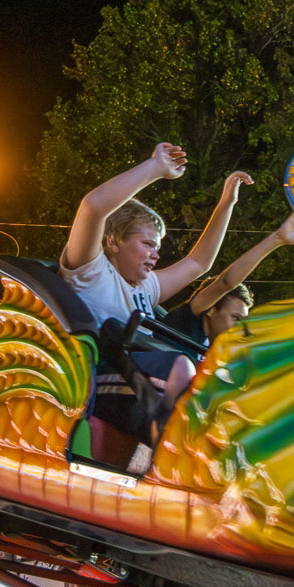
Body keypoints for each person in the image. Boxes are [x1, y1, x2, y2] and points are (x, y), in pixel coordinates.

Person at [59, 141, 251, 435]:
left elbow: (200, 263)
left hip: (142, 378)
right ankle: (169, 445)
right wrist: (155, 168)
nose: (155, 254)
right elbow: (93, 208)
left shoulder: (146, 287)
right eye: (147, 244)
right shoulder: (90, 271)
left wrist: (227, 203)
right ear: (113, 241)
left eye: (157, 247)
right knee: (180, 367)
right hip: (97, 380)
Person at [157, 214, 294, 354]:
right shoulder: (189, 319)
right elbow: (226, 282)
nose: (238, 328)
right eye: (235, 318)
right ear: (211, 310)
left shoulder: (218, 352)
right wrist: (277, 239)